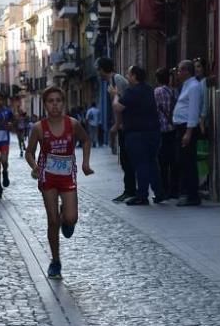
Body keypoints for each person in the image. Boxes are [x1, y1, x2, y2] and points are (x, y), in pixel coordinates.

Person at [26, 86, 94, 279]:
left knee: (71, 218)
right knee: (52, 220)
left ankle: (67, 217)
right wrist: (34, 166)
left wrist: (85, 163)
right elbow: (29, 152)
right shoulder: (39, 128)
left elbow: (86, 140)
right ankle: (55, 262)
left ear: (63, 103)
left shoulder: (72, 124)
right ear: (45, 104)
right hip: (47, 177)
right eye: (50, 101)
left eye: (58, 100)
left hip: (67, 176)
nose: (55, 104)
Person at [113, 65, 163, 206]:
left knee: (140, 164)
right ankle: (159, 193)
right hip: (153, 132)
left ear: (134, 76)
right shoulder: (148, 89)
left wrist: (115, 95)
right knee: (152, 163)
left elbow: (118, 107)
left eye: (129, 74)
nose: (127, 77)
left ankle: (142, 195)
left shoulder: (132, 91)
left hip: (137, 134)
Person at [97, 57, 135, 201]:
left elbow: (121, 103)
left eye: (99, 69)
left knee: (127, 159)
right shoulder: (112, 81)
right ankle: (129, 190)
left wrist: (117, 124)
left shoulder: (117, 79)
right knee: (124, 159)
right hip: (123, 125)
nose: (98, 73)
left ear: (102, 69)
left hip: (126, 125)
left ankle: (131, 190)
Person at [172, 60, 203, 206]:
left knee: (188, 162)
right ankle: (187, 193)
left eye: (179, 71)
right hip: (181, 128)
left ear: (186, 71)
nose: (177, 73)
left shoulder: (194, 87)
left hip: (187, 128)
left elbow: (193, 111)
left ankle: (192, 195)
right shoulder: (186, 85)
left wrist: (188, 133)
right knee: (182, 161)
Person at [154, 68, 179, 200]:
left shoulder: (157, 92)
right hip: (174, 129)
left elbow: (155, 110)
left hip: (162, 130)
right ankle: (174, 189)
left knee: (162, 163)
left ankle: (164, 189)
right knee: (173, 161)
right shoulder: (174, 91)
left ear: (158, 79)